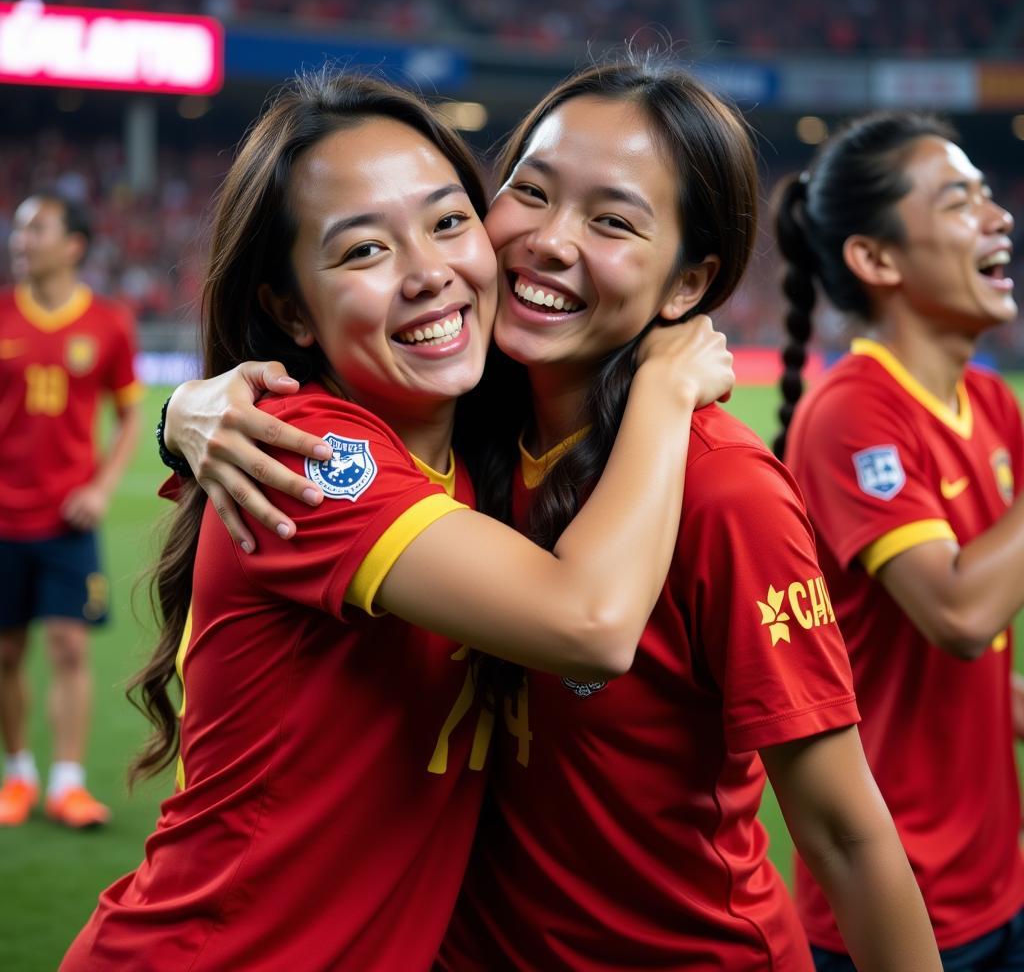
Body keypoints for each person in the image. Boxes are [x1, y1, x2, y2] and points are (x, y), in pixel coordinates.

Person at [164, 59, 940, 970]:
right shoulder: (452, 433)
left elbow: (847, 837)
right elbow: (570, 608)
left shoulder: (724, 489)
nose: (550, 240)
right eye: (529, 192)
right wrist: (183, 415)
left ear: (687, 286)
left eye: (612, 221)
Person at [61, 70, 734, 972]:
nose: (429, 274)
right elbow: (589, 621)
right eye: (364, 251)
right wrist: (664, 384)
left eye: (449, 221)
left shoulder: (480, 449)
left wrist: (178, 412)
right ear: (289, 309)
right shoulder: (304, 451)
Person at [773, 113, 1024, 969]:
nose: (1000, 219)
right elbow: (957, 611)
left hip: (998, 880)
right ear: (877, 261)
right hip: (901, 908)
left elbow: (980, 650)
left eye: (991, 197)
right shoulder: (854, 413)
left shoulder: (991, 407)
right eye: (961, 202)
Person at [0, 191, 141, 829]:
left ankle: (68, 783)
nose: (20, 238)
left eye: (37, 227)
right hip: (3, 518)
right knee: (5, 654)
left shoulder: (109, 323)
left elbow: (133, 412)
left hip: (67, 520)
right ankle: (19, 775)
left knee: (68, 647)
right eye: (19, 228)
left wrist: (101, 488)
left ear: (74, 246)